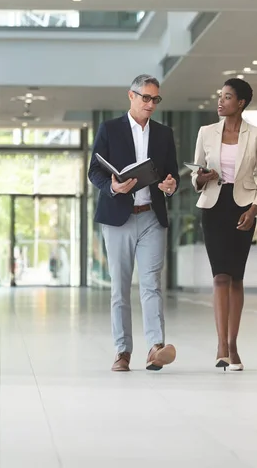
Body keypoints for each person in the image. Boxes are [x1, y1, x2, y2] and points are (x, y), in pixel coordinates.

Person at [88, 74, 180, 372]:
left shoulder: (164, 134)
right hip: (118, 219)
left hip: (152, 216)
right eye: (146, 98)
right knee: (120, 287)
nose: (151, 104)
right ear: (131, 96)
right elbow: (95, 172)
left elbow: (172, 175)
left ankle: (155, 348)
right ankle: (122, 351)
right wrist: (113, 187)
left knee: (151, 284)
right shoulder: (110, 129)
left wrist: (170, 185)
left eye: (156, 99)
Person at [191, 78, 257, 371]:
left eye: (227, 97)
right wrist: (202, 177)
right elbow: (195, 174)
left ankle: (234, 345)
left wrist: (254, 209)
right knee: (219, 277)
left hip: (243, 209)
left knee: (236, 277)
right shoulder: (205, 132)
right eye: (220, 96)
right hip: (214, 207)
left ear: (241, 103)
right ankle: (221, 345)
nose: (220, 101)